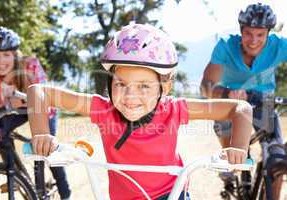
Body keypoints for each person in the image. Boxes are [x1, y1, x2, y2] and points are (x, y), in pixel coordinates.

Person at [27, 23, 252, 200]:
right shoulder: (104, 109)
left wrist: (238, 148)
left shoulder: (174, 109)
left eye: (144, 86)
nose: (130, 96)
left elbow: (240, 108)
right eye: (120, 84)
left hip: (171, 194)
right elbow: (38, 92)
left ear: (165, 87)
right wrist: (41, 133)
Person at [200, 3, 287, 199]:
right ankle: (231, 161)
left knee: (276, 159)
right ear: (241, 31)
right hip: (231, 102)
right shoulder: (225, 45)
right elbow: (205, 86)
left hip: (263, 100)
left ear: (268, 34)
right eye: (248, 33)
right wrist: (226, 93)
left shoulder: (279, 45)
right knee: (225, 125)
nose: (254, 40)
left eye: (260, 35)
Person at [0, 27, 71, 200]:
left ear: (15, 55)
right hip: (14, 111)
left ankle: (66, 194)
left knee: (47, 149)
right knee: (2, 128)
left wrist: (26, 99)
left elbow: (46, 97)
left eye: (6, 55)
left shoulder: (30, 65)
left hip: (42, 108)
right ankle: (15, 175)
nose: (1, 61)